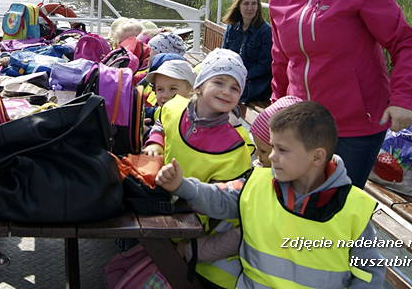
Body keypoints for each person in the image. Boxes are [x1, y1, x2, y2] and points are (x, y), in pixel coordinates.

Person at [269, 0, 412, 187]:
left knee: (337, 209)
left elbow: (406, 42)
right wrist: (278, 107)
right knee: (297, 201)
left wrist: (402, 99)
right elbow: (280, 58)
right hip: (301, 125)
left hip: (355, 127)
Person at [156, 100, 384, 289]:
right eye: (272, 147)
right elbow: (219, 198)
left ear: (317, 157)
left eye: (282, 150)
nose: (272, 157)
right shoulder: (257, 183)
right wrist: (182, 185)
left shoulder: (354, 208)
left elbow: (368, 273)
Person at [143, 48, 255, 288]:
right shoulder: (175, 107)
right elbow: (162, 119)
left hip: (196, 235)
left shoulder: (234, 147)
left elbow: (223, 207)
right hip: (163, 204)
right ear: (199, 85)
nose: (227, 91)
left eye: (235, 88)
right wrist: (155, 142)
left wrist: (182, 191)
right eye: (219, 82)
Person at [221, 0, 272, 104]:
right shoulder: (232, 26)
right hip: (232, 76)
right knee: (210, 86)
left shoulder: (265, 31)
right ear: (238, 6)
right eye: (246, 4)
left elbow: (265, 65)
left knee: (227, 93)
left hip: (254, 82)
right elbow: (224, 53)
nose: (250, 8)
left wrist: (241, 75)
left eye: (254, 4)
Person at [139, 59, 196, 133]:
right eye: (160, 89)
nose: (165, 95)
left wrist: (147, 132)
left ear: (192, 91)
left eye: (173, 89)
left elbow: (169, 139)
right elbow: (147, 111)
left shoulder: (188, 118)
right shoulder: (162, 110)